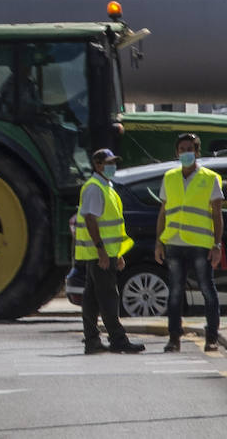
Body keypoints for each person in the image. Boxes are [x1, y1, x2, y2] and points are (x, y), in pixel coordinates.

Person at [154, 133, 224, 352]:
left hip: (200, 245)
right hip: (174, 243)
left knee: (207, 290)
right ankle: (174, 338)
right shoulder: (170, 177)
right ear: (177, 152)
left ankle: (211, 338)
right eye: (182, 149)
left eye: (190, 149)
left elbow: (217, 214)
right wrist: (158, 242)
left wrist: (217, 245)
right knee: (175, 292)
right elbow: (163, 212)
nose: (185, 153)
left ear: (197, 152)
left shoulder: (210, 178)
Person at [75, 147, 145, 354]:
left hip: (103, 253)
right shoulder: (95, 188)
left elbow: (111, 226)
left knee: (91, 298)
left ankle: (92, 340)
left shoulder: (106, 186)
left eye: (114, 162)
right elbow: (90, 219)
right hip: (100, 254)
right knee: (108, 297)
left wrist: (117, 253)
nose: (113, 166)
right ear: (97, 165)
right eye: (109, 163)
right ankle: (117, 339)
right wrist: (102, 252)